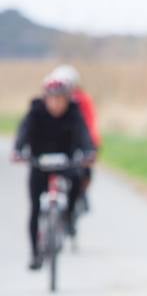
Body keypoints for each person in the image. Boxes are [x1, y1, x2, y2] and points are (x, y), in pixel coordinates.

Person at [12, 77, 95, 269]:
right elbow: (23, 132)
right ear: (45, 98)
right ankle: (35, 253)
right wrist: (18, 150)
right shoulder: (35, 112)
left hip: (65, 162)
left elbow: (84, 135)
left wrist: (88, 151)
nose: (56, 103)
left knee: (77, 180)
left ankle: (68, 216)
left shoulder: (74, 114)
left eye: (60, 99)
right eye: (52, 99)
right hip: (39, 164)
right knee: (34, 208)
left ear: (67, 99)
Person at [47, 65, 101, 207]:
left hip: (81, 139)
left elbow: (89, 123)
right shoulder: (52, 99)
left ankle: (81, 193)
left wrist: (91, 146)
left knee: (84, 171)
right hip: (60, 141)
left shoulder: (82, 100)